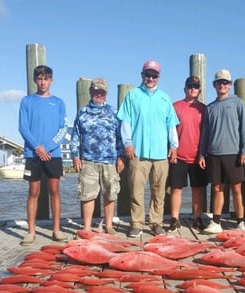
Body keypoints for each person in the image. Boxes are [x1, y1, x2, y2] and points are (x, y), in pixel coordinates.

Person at [117, 60, 179, 237]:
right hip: (138, 152)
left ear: (158, 77)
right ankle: (136, 223)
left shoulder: (165, 98)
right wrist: (127, 142)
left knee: (158, 191)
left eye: (154, 75)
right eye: (147, 74)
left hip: (161, 153)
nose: (151, 78)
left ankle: (156, 223)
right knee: (136, 190)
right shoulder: (132, 95)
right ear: (142, 75)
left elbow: (171, 125)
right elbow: (125, 122)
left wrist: (174, 146)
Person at [18, 65, 68, 246]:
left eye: (46, 78)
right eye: (39, 78)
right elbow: (23, 127)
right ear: (35, 80)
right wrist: (37, 148)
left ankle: (57, 230)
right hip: (33, 154)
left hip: (53, 154)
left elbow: (63, 129)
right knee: (33, 191)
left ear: (51, 81)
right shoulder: (26, 101)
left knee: (54, 190)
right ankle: (31, 231)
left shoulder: (59, 103)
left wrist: (47, 147)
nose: (43, 82)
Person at [198, 69, 245, 234]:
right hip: (214, 154)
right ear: (214, 85)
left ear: (230, 85)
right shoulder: (210, 108)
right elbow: (205, 133)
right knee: (216, 189)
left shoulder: (238, 103)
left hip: (234, 153)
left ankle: (240, 222)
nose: (222, 85)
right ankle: (216, 221)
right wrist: (201, 153)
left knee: (236, 189)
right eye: (219, 82)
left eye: (225, 82)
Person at [70, 78, 124, 235]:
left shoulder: (113, 112)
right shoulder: (81, 112)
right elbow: (75, 136)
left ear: (106, 94)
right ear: (91, 91)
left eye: (102, 92)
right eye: (96, 90)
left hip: (110, 161)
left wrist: (121, 157)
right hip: (88, 161)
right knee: (88, 195)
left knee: (110, 194)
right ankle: (87, 227)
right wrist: (75, 156)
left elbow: (120, 136)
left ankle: (109, 226)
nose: (99, 94)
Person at [167, 76, 208, 233]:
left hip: (198, 156)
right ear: (185, 89)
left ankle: (197, 218)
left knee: (198, 188)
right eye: (190, 86)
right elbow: (169, 130)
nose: (193, 89)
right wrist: (172, 149)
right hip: (179, 155)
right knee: (176, 188)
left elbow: (207, 133)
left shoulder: (204, 109)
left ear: (199, 90)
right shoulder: (175, 106)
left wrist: (203, 154)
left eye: (196, 87)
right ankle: (174, 219)